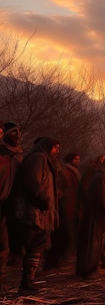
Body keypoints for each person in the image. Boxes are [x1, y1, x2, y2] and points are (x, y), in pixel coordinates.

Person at [12, 137, 61, 294]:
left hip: (40, 213)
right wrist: (43, 199)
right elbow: (32, 181)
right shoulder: (37, 158)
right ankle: (26, 284)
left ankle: (29, 282)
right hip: (32, 212)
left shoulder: (46, 161)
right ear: (47, 147)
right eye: (55, 147)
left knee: (37, 248)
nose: (57, 151)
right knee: (34, 247)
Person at [75, 155, 105, 279]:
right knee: (92, 243)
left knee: (98, 243)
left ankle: (92, 268)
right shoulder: (101, 177)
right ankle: (87, 270)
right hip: (96, 216)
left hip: (102, 215)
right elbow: (101, 197)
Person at [44, 152, 81, 270]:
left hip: (72, 207)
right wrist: (63, 195)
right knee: (61, 235)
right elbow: (59, 188)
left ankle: (58, 261)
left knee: (68, 236)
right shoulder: (64, 172)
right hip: (63, 207)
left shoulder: (75, 172)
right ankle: (51, 263)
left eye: (79, 159)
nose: (78, 161)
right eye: (75, 159)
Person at [0, 122, 23, 289]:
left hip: (7, 203)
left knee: (3, 246)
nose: (17, 135)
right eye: (13, 132)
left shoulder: (16, 155)